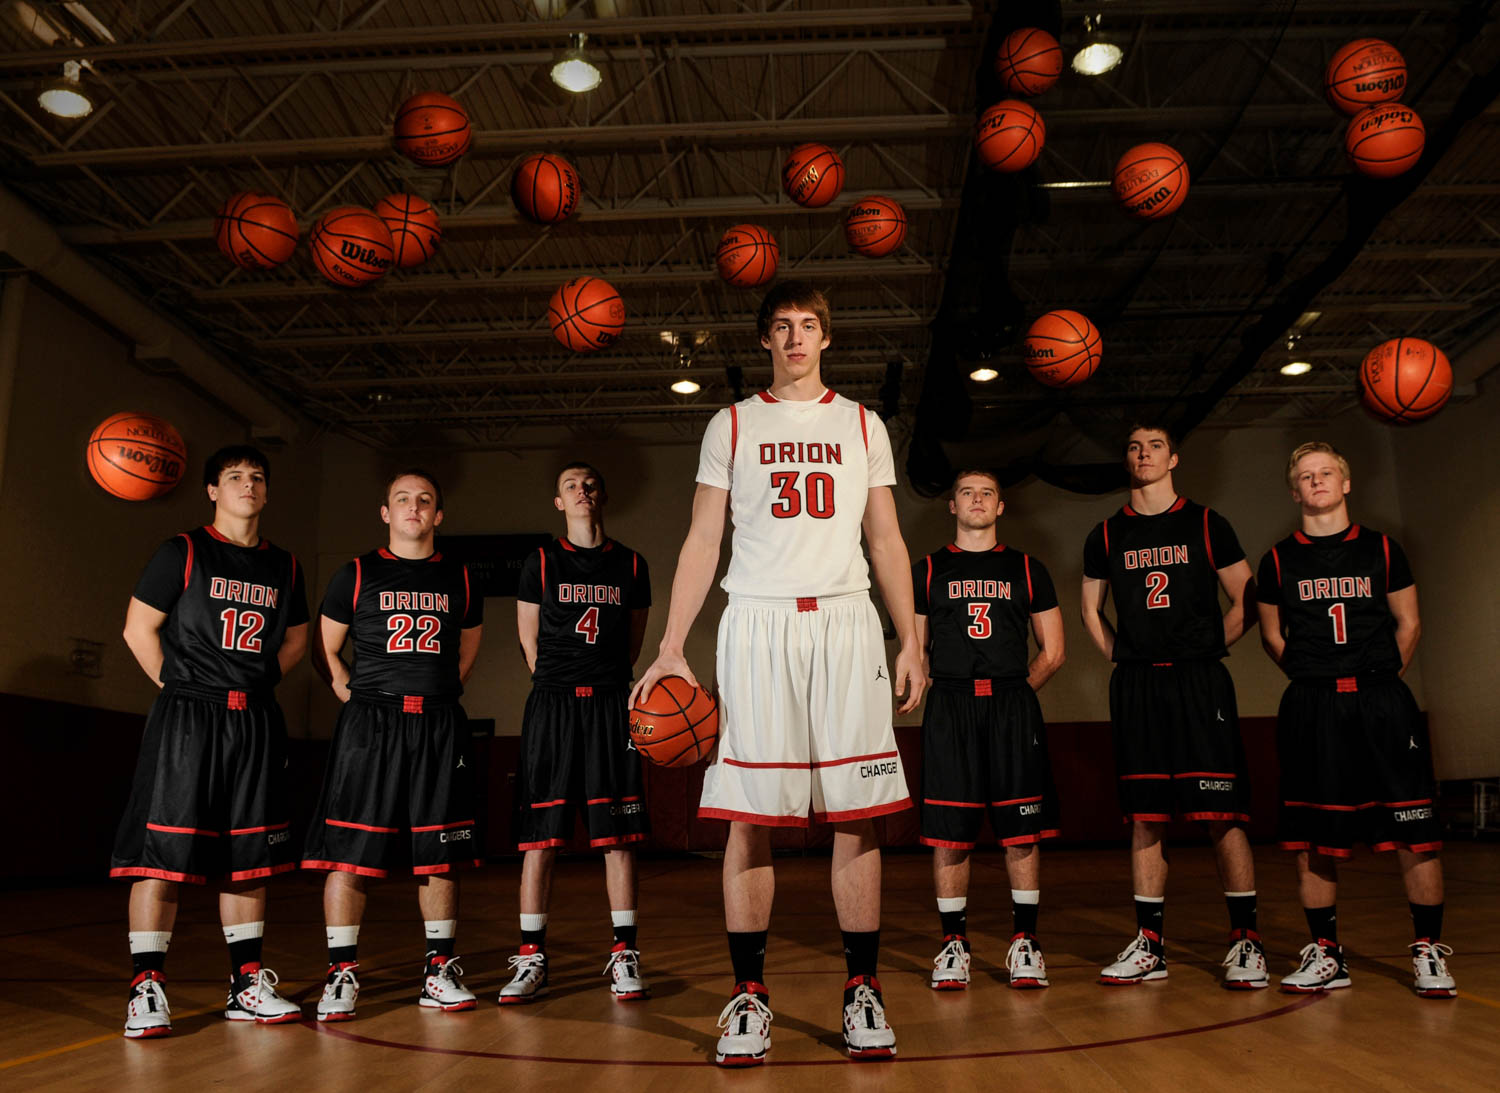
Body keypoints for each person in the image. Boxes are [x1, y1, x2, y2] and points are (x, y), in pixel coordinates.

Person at [630, 280, 927, 1066]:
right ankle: (750, 995)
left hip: (844, 617)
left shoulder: (864, 424)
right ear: (765, 340)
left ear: (827, 338)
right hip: (756, 620)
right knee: (749, 814)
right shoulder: (730, 424)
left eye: (810, 326)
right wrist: (670, 644)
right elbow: (702, 540)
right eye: (783, 327)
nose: (797, 337)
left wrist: (910, 636)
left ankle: (862, 988)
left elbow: (888, 540)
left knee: (858, 812)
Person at [112, 445, 309, 1038]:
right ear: (212, 491)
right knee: (164, 855)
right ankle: (146, 986)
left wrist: (258, 680)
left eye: (256, 478)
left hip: (252, 718)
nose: (247, 485)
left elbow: (296, 641)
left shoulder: (287, 567)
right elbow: (137, 627)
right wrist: (179, 687)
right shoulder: (183, 551)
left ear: (266, 493)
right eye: (234, 477)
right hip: (188, 716)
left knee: (248, 857)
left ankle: (245, 983)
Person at [1257, 441, 1454, 998]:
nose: (1316, 482)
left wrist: (1377, 680)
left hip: (1382, 701)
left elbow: (1408, 625)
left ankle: (1428, 952)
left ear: (1345, 485)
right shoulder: (1277, 560)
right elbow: (1274, 638)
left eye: (1325, 474)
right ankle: (1326, 955)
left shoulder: (1383, 550)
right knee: (1314, 836)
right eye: (1305, 476)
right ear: (1294, 491)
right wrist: (1318, 677)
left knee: (1416, 833)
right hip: (1312, 704)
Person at [1079, 425, 1267, 989]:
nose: (1143, 454)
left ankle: (1246, 941)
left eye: (1155, 446)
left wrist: (1212, 645)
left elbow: (1248, 596)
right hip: (1138, 684)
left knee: (1222, 811)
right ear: (1127, 459)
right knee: (1145, 813)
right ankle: (1150, 945)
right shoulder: (1107, 534)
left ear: (1174, 457)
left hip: (1200, 680)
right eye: (1134, 446)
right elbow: (1091, 610)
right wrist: (1123, 657)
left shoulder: (1207, 523)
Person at [301, 469, 485, 1021]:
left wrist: (436, 695)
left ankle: (438, 969)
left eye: (424, 500)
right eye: (402, 499)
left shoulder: (462, 578)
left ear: (438, 514)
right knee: (350, 853)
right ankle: (341, 972)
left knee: (440, 851)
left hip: (436, 722)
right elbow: (324, 648)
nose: (413, 507)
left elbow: (466, 654)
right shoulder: (355, 573)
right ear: (385, 513)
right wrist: (351, 697)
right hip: (371, 720)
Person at [503, 462, 652, 1004]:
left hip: (611, 705)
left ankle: (624, 953)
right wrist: (565, 685)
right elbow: (529, 645)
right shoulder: (540, 562)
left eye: (590, 483)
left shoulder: (632, 564)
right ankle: (530, 955)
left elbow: (632, 645)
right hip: (554, 705)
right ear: (559, 502)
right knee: (540, 838)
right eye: (571, 486)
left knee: (617, 837)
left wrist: (603, 684)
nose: (582, 491)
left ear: (603, 494)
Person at [914, 470, 1065, 992]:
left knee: (1021, 835)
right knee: (950, 835)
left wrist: (1016, 694)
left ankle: (1025, 943)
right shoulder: (927, 569)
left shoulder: (1028, 567)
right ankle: (953, 946)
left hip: (1010, 705)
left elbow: (1055, 651)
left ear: (1000, 507)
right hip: (950, 707)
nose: (976, 500)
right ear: (951, 506)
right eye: (966, 493)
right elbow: (916, 652)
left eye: (986, 494)